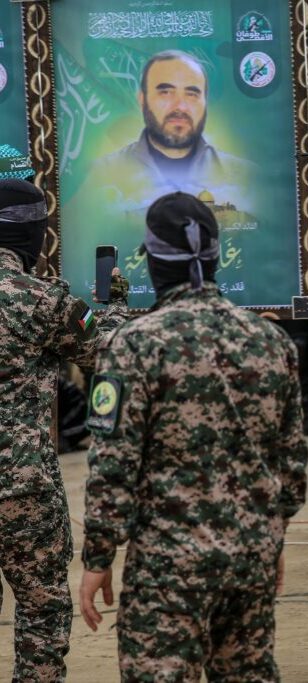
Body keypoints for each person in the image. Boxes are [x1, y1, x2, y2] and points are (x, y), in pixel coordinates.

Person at [78, 192, 308, 680]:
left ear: (154, 260)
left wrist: (99, 556)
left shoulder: (134, 345)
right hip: (251, 558)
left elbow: (112, 465)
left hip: (167, 568)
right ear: (215, 256)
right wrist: (273, 538)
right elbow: (290, 461)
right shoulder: (271, 342)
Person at [0, 176, 128, 680]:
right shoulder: (41, 299)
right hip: (23, 487)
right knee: (40, 612)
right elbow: (111, 355)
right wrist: (114, 300)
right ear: (35, 235)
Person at [87, 50, 255, 213]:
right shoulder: (100, 174)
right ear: (142, 100)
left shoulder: (245, 176)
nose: (180, 106)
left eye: (191, 94)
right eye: (165, 92)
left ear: (205, 102)